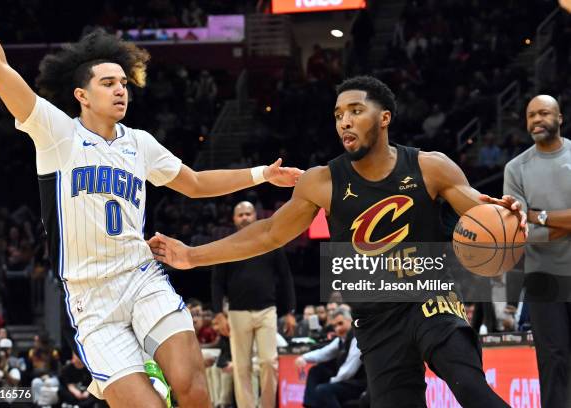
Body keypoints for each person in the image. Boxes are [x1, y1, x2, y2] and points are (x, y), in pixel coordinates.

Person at [0, 1, 302, 407]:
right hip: (90, 299)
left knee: (193, 387)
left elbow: (193, 183)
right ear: (81, 95)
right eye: (108, 83)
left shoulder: (140, 143)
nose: (121, 89)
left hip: (140, 278)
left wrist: (262, 173)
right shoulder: (57, 134)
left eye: (123, 82)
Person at [150, 75, 527, 407]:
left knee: (471, 388)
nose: (344, 121)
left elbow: (480, 210)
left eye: (355, 110)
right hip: (377, 319)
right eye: (337, 114)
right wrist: (193, 256)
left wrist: (510, 213)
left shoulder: (431, 166)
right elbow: (268, 232)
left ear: (384, 118)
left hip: (431, 301)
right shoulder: (323, 181)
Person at [503, 94, 571, 408]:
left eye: (543, 113)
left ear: (559, 118)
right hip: (543, 276)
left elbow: (532, 221)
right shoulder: (515, 168)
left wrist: (539, 215)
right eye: (530, 115)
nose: (536, 120)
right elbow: (522, 232)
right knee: (552, 359)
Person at [211, 201, 296, 408]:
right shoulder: (227, 244)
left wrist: (291, 310)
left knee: (269, 362)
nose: (245, 218)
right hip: (237, 312)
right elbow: (216, 281)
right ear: (234, 219)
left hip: (267, 310)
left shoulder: (271, 241)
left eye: (248, 213)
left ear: (255, 216)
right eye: (240, 215)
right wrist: (217, 313)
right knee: (242, 367)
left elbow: (286, 278)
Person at [295, 308, 366, 408]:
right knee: (315, 371)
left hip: (359, 384)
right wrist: (304, 358)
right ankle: (310, 405)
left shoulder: (357, 338)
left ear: (350, 321)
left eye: (340, 324)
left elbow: (349, 370)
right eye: (335, 326)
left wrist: (331, 381)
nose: (337, 329)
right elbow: (324, 353)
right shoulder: (341, 339)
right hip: (347, 381)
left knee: (323, 390)